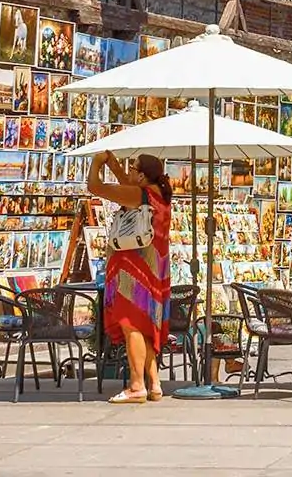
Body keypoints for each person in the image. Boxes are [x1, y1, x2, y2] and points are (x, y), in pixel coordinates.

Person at [87, 149, 172, 403]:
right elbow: (129, 185)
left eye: (133, 168)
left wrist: (96, 163)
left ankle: (137, 386)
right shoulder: (157, 195)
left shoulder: (139, 195)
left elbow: (95, 186)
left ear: (143, 175)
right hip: (154, 271)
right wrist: (114, 164)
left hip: (134, 274)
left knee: (131, 324)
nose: (129, 171)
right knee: (143, 327)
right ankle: (154, 384)